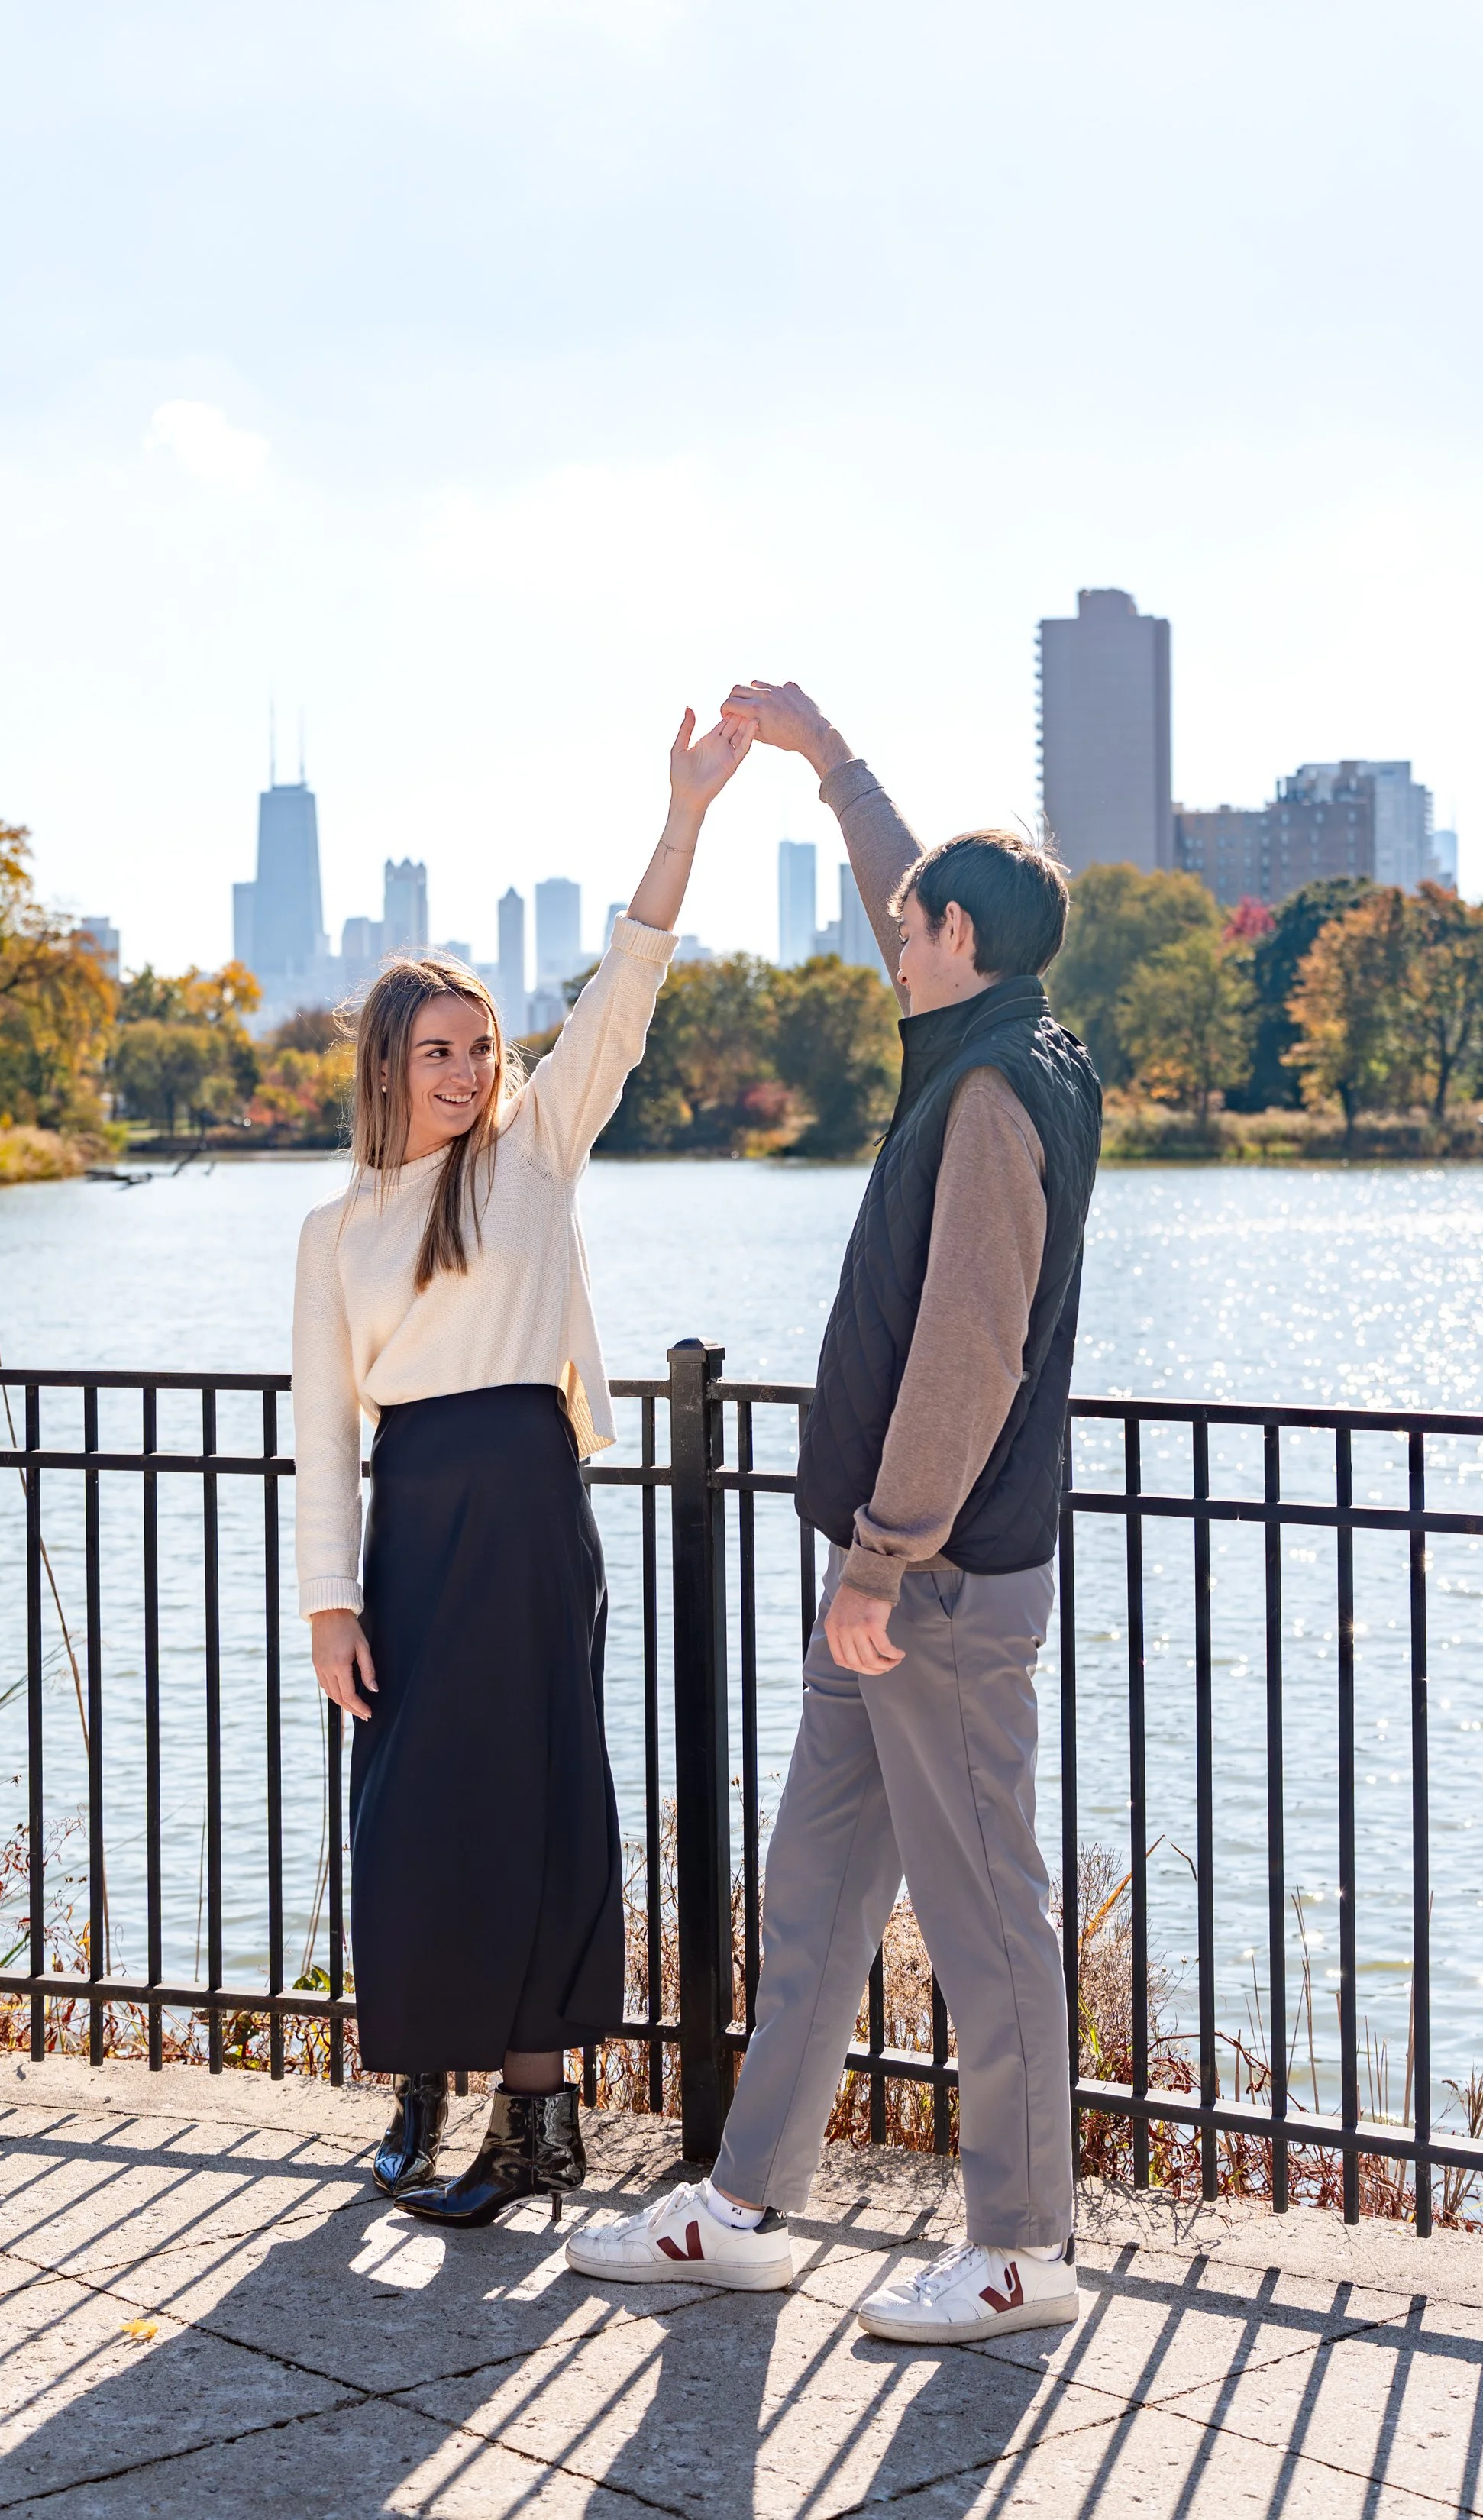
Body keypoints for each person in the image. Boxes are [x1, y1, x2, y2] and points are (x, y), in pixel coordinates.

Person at [567, 681, 1103, 2341]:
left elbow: (968, 1348)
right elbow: (903, 880)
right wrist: (827, 762)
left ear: (959, 939)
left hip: (932, 1584)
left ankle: (1022, 2249)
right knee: (811, 1897)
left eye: (910, 927)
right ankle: (740, 2207)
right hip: (889, 1584)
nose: (891, 940)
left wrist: (879, 1557)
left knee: (983, 1917)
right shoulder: (983, 1035)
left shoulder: (997, 1098)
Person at [292, 706, 753, 2228]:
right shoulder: (335, 1231)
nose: (464, 1069)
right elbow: (324, 1431)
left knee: (530, 1798)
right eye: (436, 1050)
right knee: (406, 1812)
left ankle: (537, 2120)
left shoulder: (538, 1149)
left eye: (478, 1046)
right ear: (385, 1064)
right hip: (414, 1522)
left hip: (528, 1505)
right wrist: (329, 1604)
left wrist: (683, 812)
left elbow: (629, 978)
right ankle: (422, 2085)